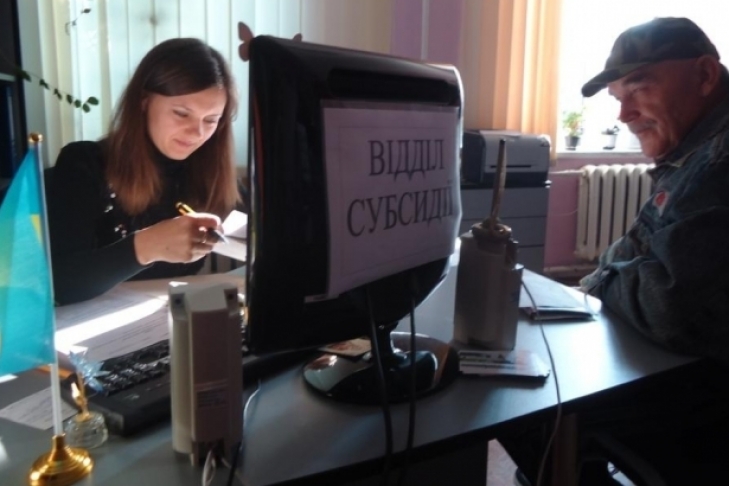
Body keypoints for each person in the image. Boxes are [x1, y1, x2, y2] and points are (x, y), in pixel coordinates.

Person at [503, 17, 729, 486]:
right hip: (687, 364)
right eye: (617, 99)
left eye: (639, 88)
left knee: (521, 403)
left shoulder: (719, 160)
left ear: (705, 75)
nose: (624, 116)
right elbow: (636, 247)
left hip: (712, 397)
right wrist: (597, 282)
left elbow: (671, 308)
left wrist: (601, 281)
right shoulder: (692, 153)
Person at [47, 38, 242, 305]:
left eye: (211, 120)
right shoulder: (83, 162)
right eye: (182, 114)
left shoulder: (208, 171)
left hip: (168, 320)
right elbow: (60, 284)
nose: (197, 133)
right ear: (144, 101)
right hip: (93, 324)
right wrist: (147, 246)